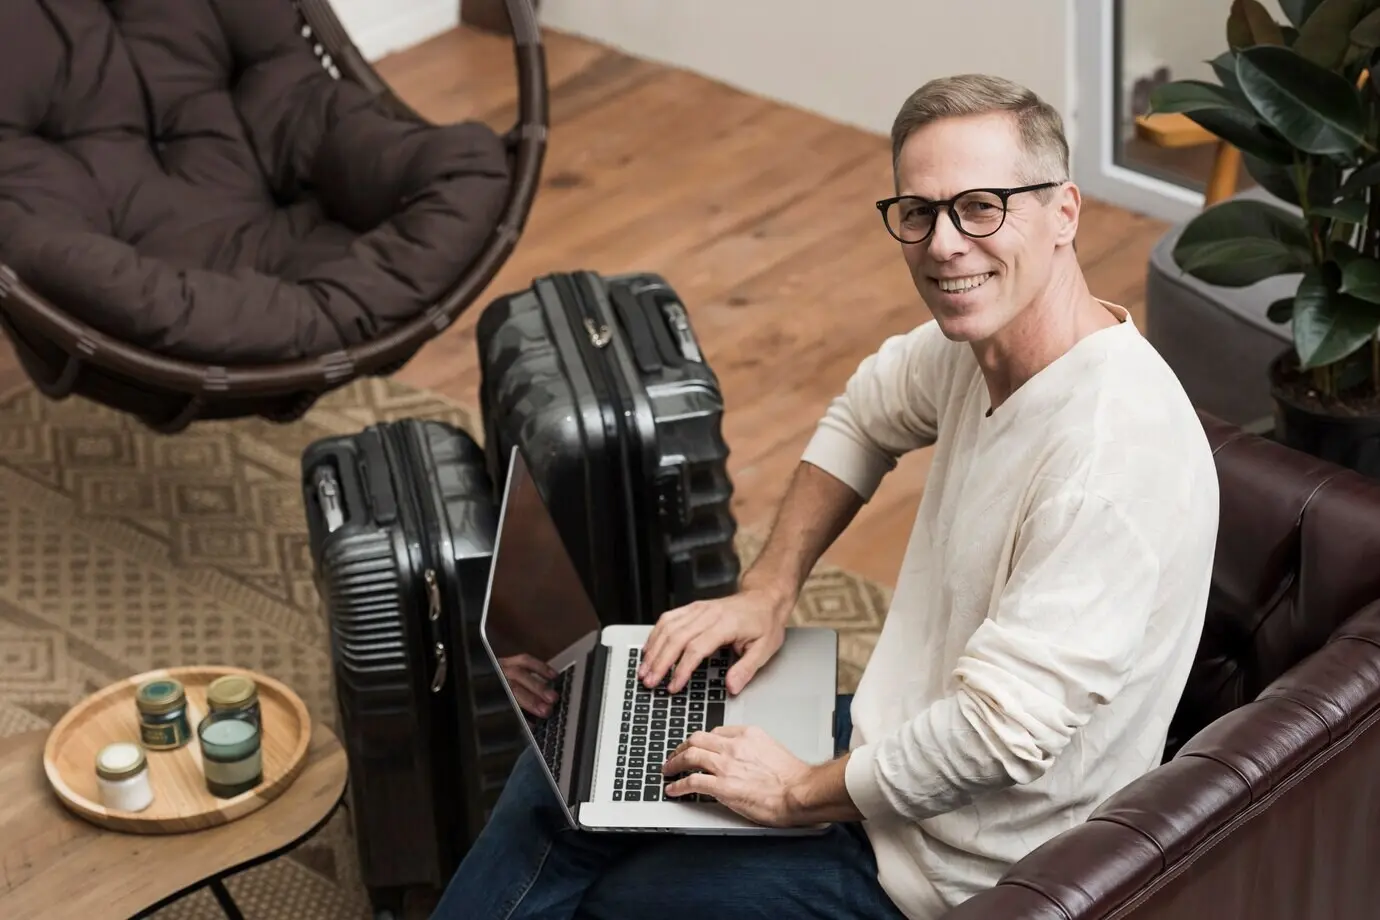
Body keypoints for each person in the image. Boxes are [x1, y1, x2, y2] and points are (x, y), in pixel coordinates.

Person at [432, 73, 1220, 920]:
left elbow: (997, 735)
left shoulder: (1107, 457)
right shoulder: (987, 344)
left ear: (1064, 212)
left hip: (959, 867)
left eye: (980, 208)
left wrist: (795, 793)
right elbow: (865, 413)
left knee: (619, 900)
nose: (945, 245)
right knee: (572, 762)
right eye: (918, 212)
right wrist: (769, 589)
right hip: (890, 751)